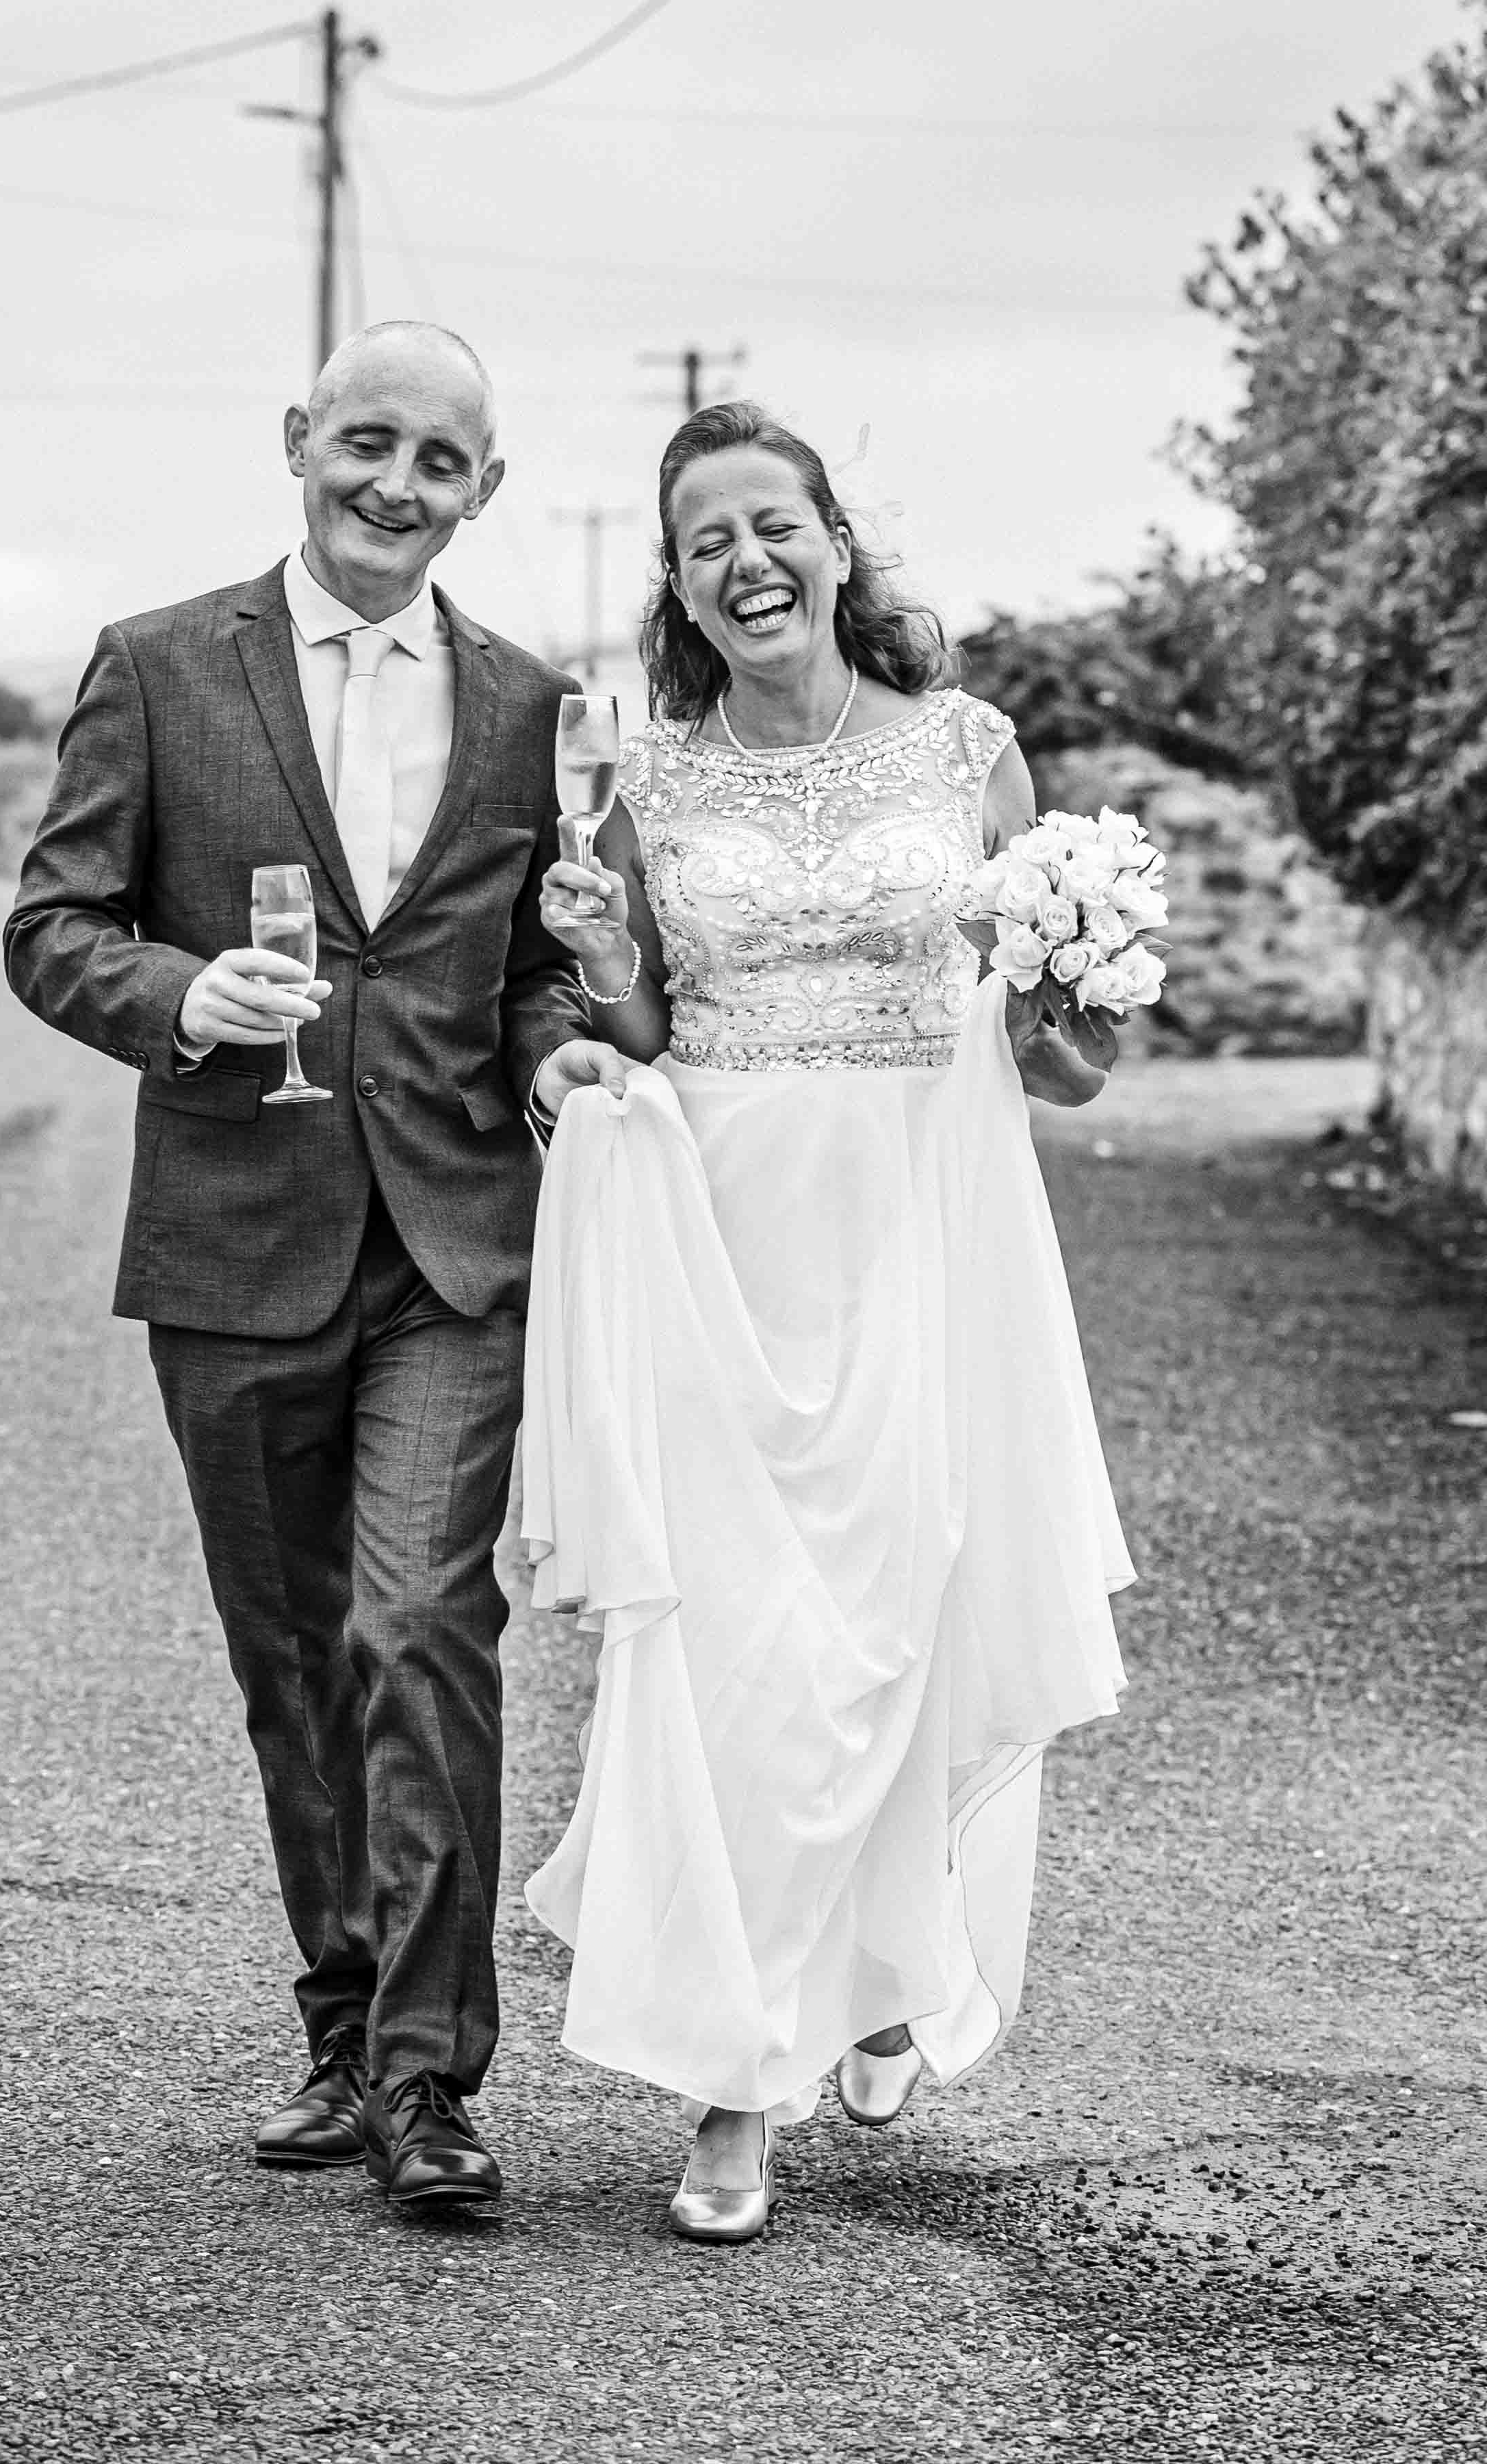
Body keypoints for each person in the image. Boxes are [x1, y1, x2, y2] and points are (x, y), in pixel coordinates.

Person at [3, 322, 625, 2207]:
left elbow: (523, 968)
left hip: (449, 1249)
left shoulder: (526, 706)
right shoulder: (160, 664)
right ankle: (346, 2024)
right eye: (368, 442)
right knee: (294, 1664)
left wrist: (558, 1050)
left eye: (441, 462)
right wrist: (185, 995)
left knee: (420, 1629)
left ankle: (435, 2083)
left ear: (484, 493)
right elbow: (53, 926)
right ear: (299, 440)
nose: (396, 484)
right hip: (232, 1239)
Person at [519, 401, 1132, 2243]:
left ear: (836, 544)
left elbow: (1068, 1058)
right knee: (732, 1658)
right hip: (722, 1245)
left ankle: (884, 1961)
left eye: (771, 522)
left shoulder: (975, 751)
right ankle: (731, 2081)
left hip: (921, 1236)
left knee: (904, 1624)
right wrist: (598, 986)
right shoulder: (658, 785)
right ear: (681, 586)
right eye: (704, 539)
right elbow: (634, 1028)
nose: (745, 559)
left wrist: (1078, 985)